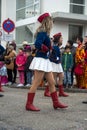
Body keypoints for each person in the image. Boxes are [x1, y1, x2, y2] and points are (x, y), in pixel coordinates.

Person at [25, 13, 68, 111]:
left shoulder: (45, 33)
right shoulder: (42, 32)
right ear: (47, 21)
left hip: (45, 60)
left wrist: (49, 47)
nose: (52, 23)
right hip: (41, 60)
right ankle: (29, 104)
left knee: (52, 82)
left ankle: (56, 103)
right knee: (36, 82)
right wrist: (46, 48)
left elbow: (42, 44)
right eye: (51, 20)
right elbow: (37, 44)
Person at [45, 32, 69, 97]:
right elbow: (52, 56)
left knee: (61, 77)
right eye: (61, 38)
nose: (62, 39)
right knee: (52, 79)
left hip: (58, 64)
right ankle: (46, 92)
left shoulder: (57, 46)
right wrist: (57, 59)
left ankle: (61, 92)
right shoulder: (54, 47)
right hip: (54, 63)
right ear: (58, 39)